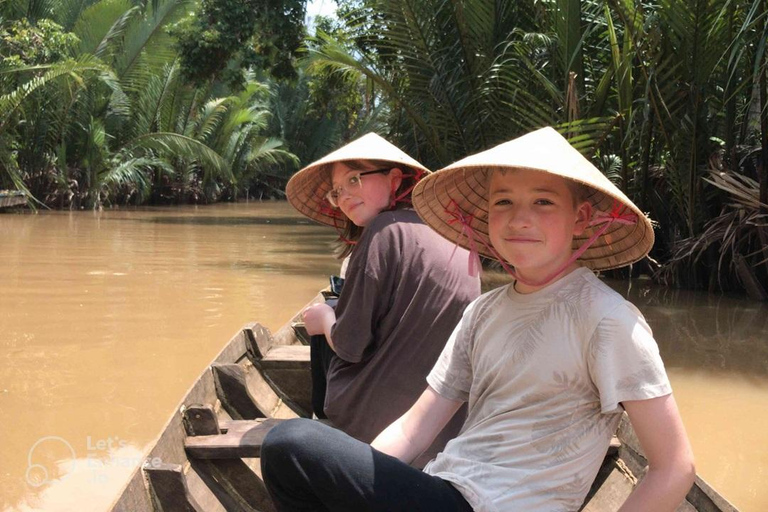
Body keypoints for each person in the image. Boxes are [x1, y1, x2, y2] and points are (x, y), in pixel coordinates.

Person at [261, 127, 696, 512]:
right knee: (306, 461)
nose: (520, 218)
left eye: (543, 201)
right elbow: (414, 430)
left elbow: (674, 467)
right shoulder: (482, 312)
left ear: (580, 218)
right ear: (486, 217)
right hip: (446, 486)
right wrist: (360, 487)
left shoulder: (607, 318)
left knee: (290, 444)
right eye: (503, 201)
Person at [284, 133, 480, 459]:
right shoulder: (453, 230)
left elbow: (350, 345)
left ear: (394, 178)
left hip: (383, 420)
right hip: (446, 420)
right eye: (337, 191)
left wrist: (326, 320)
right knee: (335, 308)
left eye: (354, 179)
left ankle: (324, 419)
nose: (344, 194)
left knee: (323, 315)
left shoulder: (383, 231)